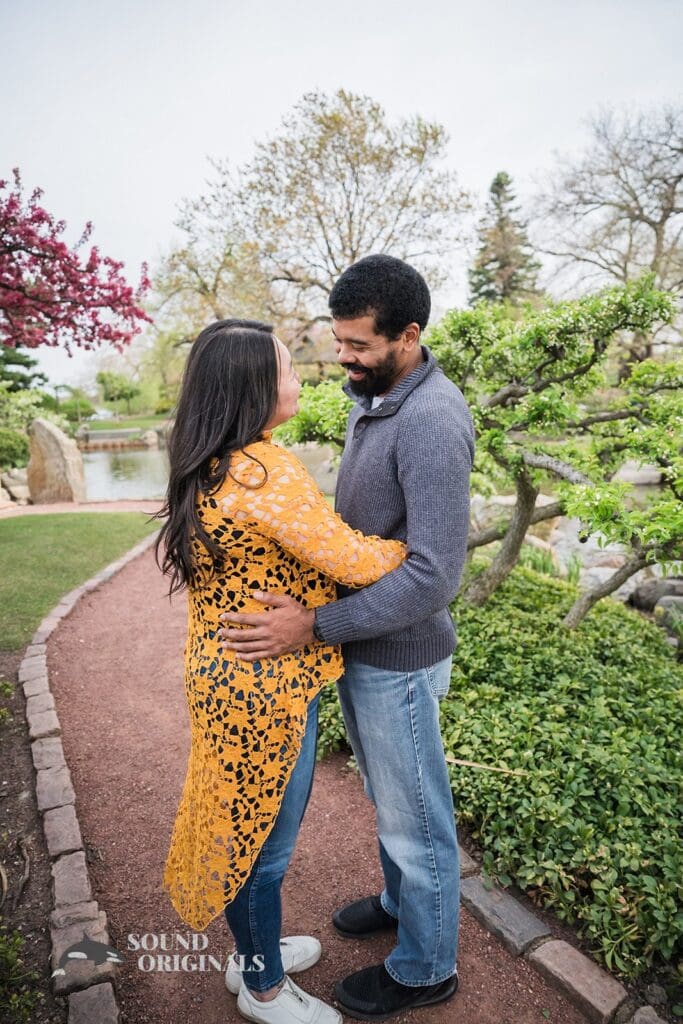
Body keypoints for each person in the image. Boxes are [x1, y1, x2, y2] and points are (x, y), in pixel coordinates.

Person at [219, 255, 475, 1021]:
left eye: (358, 345)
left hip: (397, 656)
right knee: (387, 797)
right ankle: (403, 903)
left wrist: (314, 625)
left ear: (408, 336)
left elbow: (433, 576)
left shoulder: (432, 421)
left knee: (414, 815)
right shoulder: (379, 393)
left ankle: (427, 968)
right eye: (338, 342)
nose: (343, 358)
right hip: (365, 649)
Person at [156, 318, 407, 1024]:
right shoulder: (265, 470)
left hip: (218, 673)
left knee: (240, 823)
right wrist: (419, 554)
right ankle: (264, 987)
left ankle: (250, 952)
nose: (301, 378)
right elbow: (353, 559)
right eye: (288, 368)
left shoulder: (207, 461)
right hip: (264, 686)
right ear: (251, 387)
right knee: (261, 845)